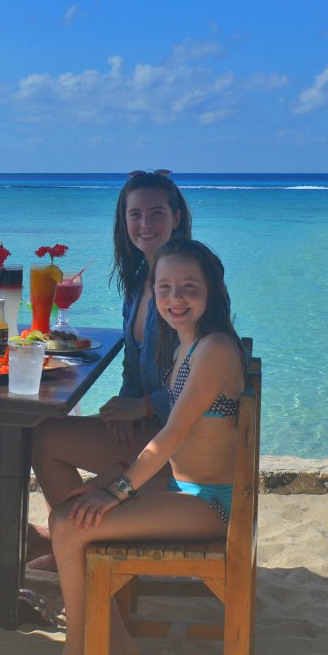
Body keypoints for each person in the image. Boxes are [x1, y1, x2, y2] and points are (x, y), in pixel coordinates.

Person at [50, 239, 248, 655]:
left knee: (70, 525)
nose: (175, 299)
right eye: (164, 288)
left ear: (211, 290)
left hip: (210, 504)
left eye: (189, 287)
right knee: (70, 511)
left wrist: (116, 490)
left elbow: (172, 435)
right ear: (152, 291)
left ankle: (78, 647)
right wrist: (112, 480)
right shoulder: (184, 345)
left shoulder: (213, 348)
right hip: (181, 488)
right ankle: (112, 642)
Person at [31, 172, 192, 514]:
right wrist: (124, 404)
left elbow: (206, 378)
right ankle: (80, 539)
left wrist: (144, 407)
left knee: (42, 438)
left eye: (157, 213)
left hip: (180, 444)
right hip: (149, 426)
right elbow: (134, 369)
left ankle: (78, 540)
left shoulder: (186, 284)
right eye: (135, 214)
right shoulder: (138, 284)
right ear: (124, 221)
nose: (145, 223)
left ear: (176, 218)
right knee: (41, 432)